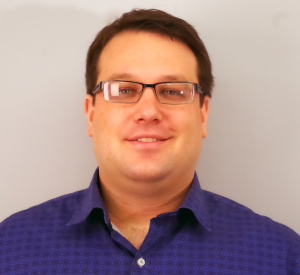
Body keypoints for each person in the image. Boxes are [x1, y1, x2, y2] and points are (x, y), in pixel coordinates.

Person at [0, 8, 299, 274]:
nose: (148, 111)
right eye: (124, 90)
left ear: (203, 114)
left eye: (172, 91)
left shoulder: (281, 257)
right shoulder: (10, 249)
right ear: (91, 114)